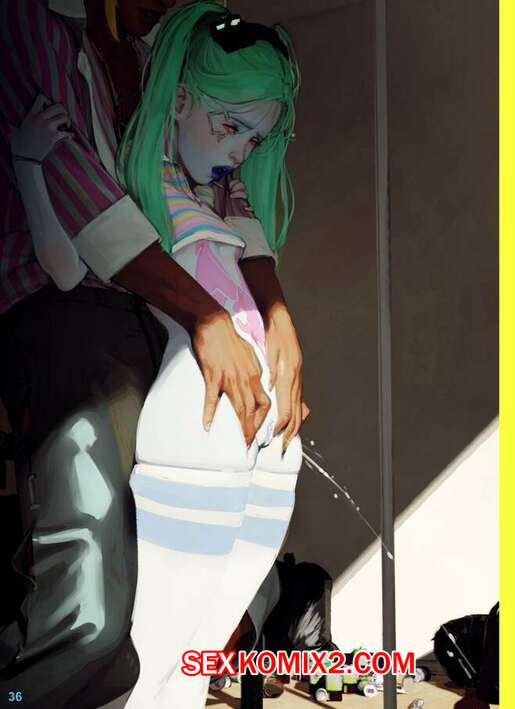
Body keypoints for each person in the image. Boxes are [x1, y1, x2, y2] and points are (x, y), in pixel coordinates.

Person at [0, 1, 308, 706]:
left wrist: (277, 319)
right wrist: (208, 315)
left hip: (152, 312)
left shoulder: (157, 51)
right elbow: (81, 197)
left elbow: (228, 196)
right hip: (70, 310)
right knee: (89, 609)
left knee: (212, 589)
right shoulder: (32, 22)